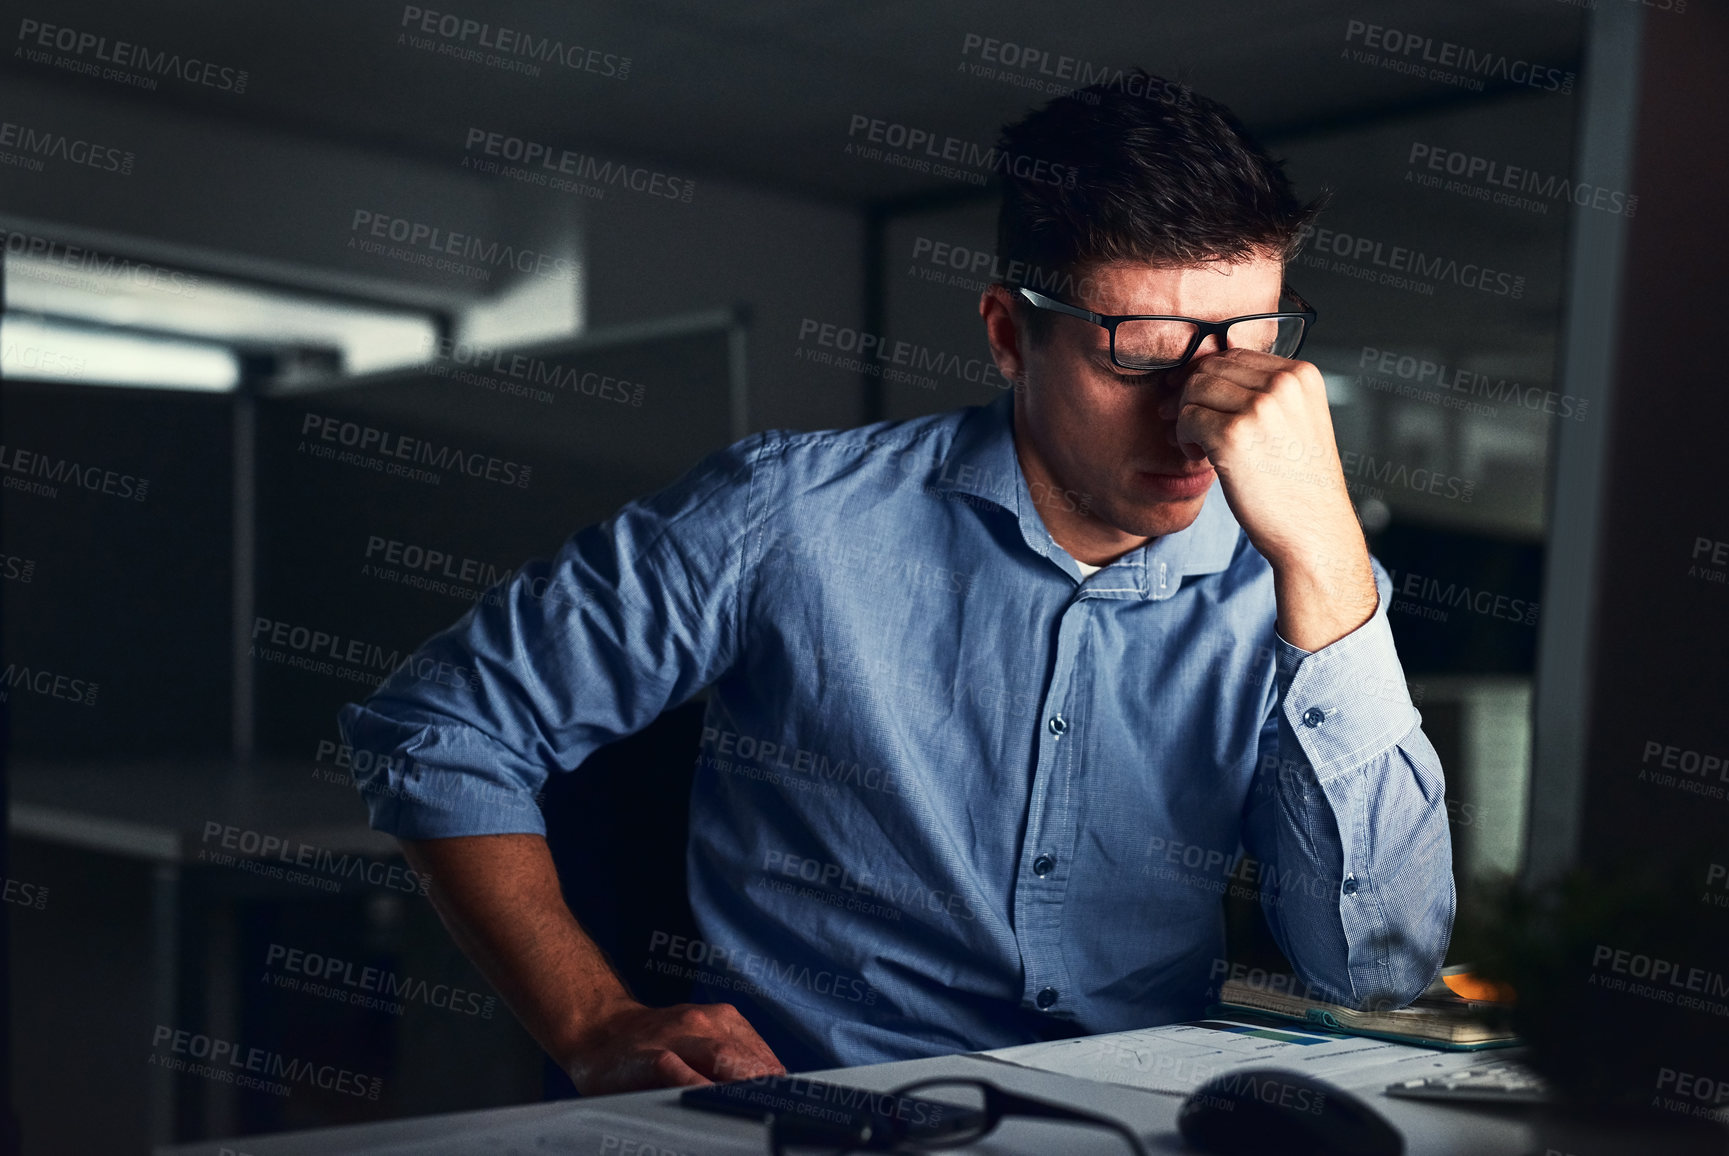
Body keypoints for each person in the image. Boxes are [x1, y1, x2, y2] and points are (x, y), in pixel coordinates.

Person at [337, 71, 1454, 1097]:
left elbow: (1378, 970)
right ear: (1010, 335)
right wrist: (588, 1018)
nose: (1200, 416)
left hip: (1136, 1126)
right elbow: (443, 728)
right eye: (1139, 353)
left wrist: (1328, 564)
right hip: (819, 1117)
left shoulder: (1310, 586)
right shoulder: (784, 514)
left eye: (1248, 352)